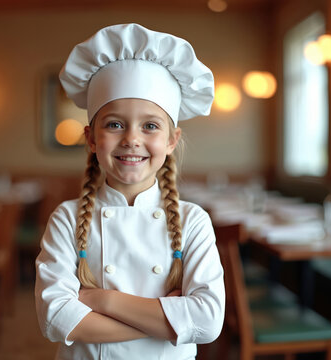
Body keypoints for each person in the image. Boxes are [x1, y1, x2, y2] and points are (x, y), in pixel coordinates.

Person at [35, 23, 225, 359]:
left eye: (150, 125)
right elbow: (54, 319)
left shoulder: (193, 220)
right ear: (92, 139)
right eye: (114, 124)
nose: (131, 139)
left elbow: (208, 323)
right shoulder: (66, 218)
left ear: (171, 141)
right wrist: (169, 319)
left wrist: (102, 301)